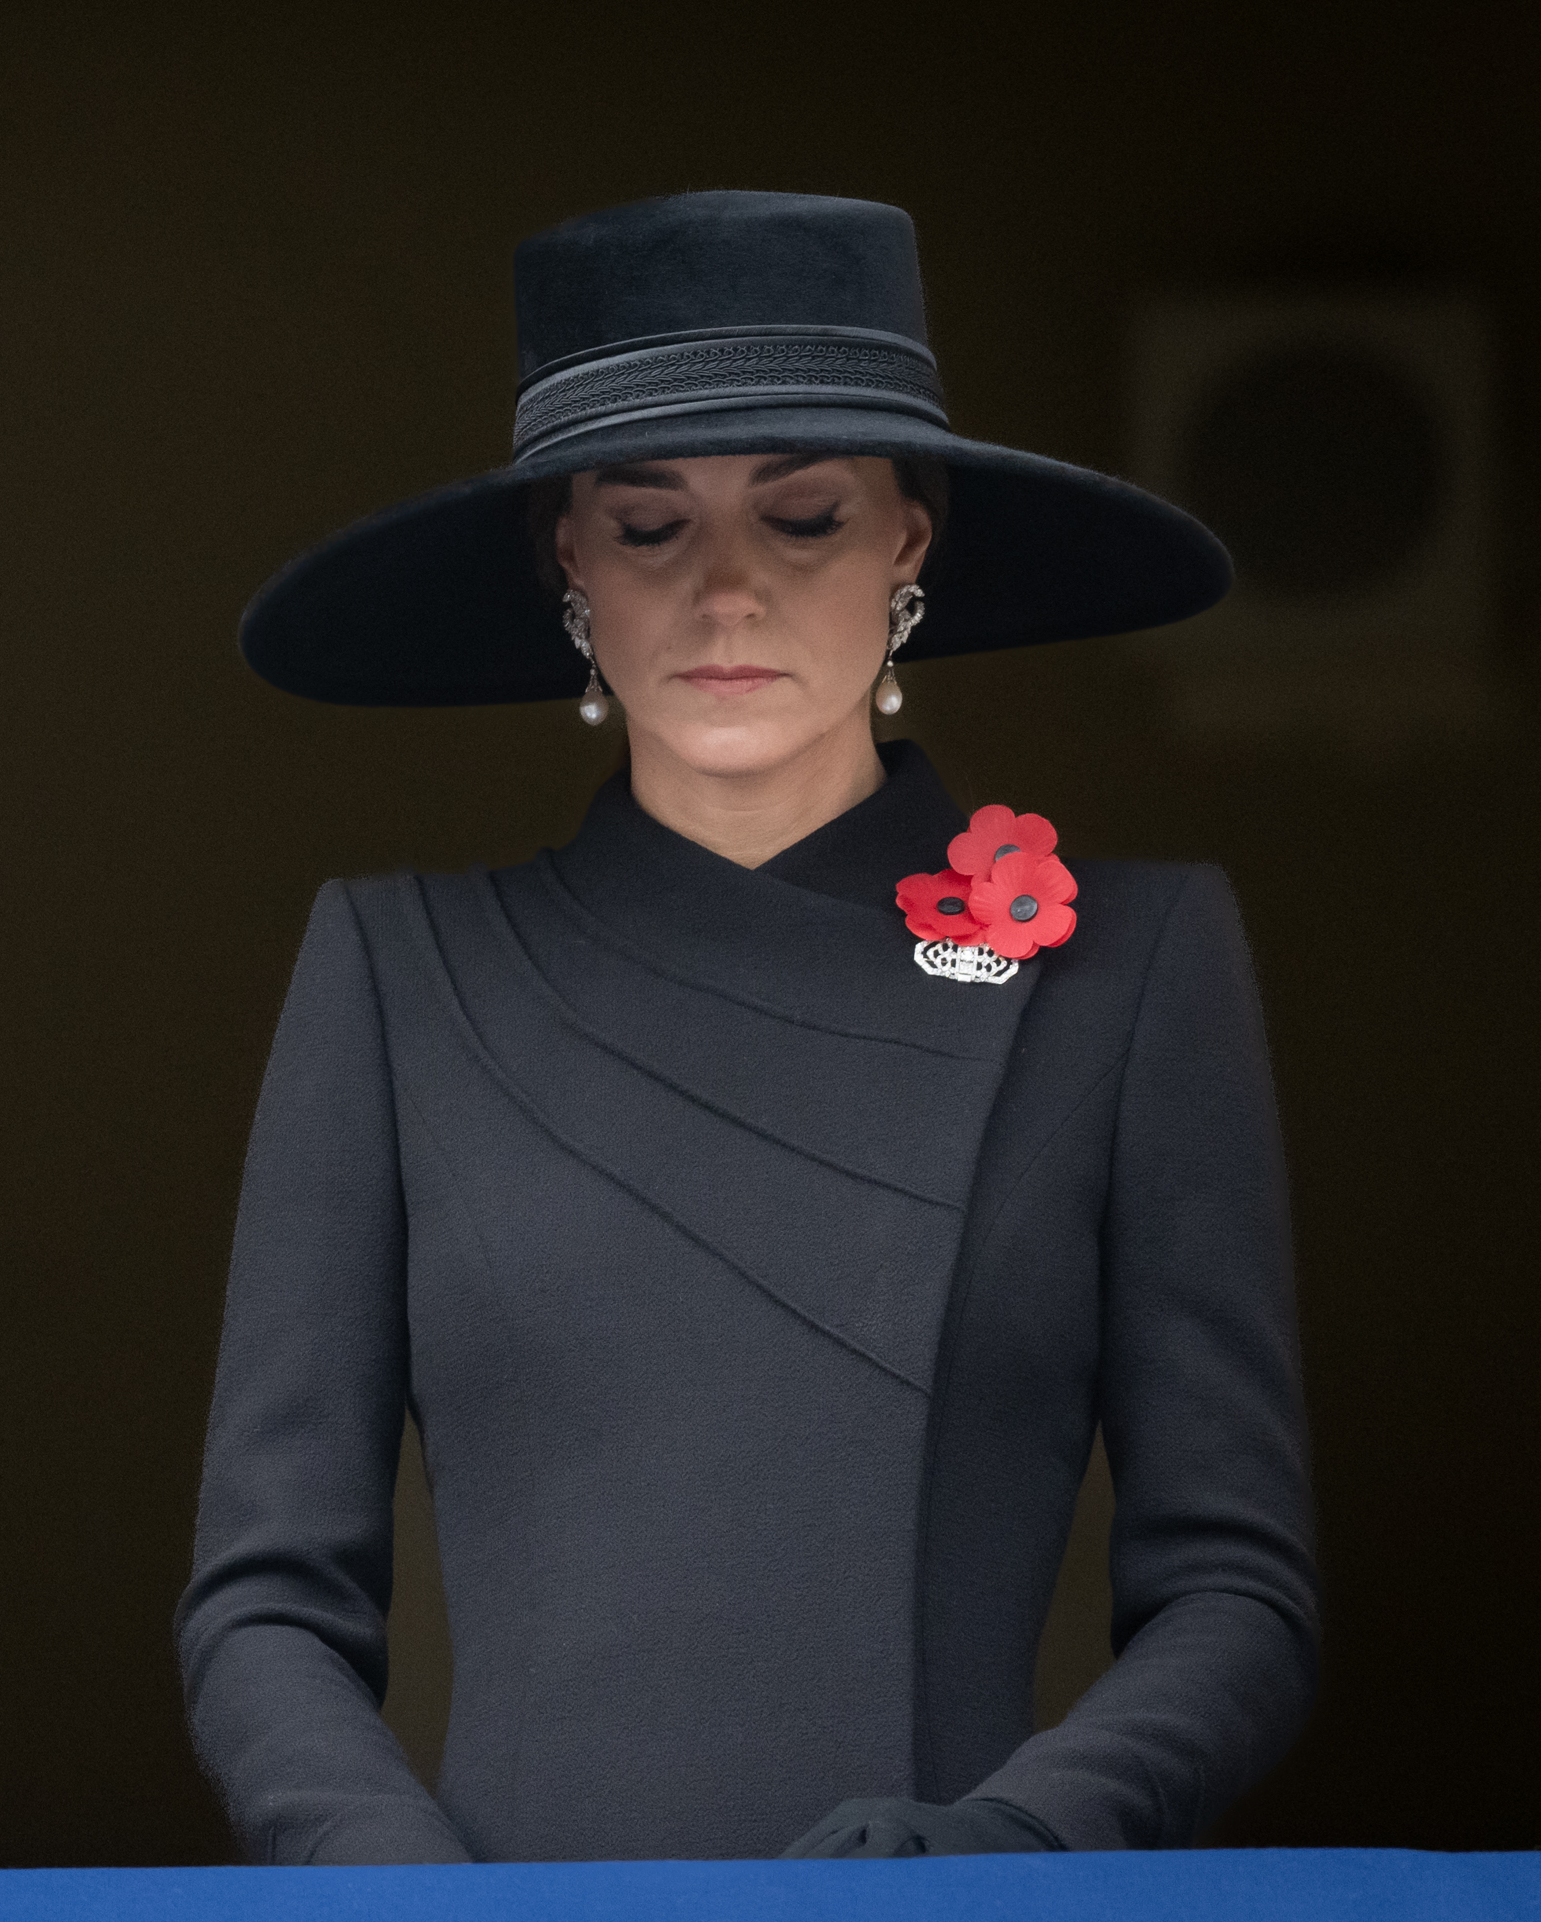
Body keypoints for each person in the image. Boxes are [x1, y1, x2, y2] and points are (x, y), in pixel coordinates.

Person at [175, 193, 1316, 1863]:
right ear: (568, 557)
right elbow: (264, 1597)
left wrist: (1014, 1843)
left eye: (802, 518)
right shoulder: (399, 969)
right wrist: (397, 1890)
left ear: (908, 542)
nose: (727, 593)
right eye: (649, 528)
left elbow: (1238, 1583)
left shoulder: (1132, 967)